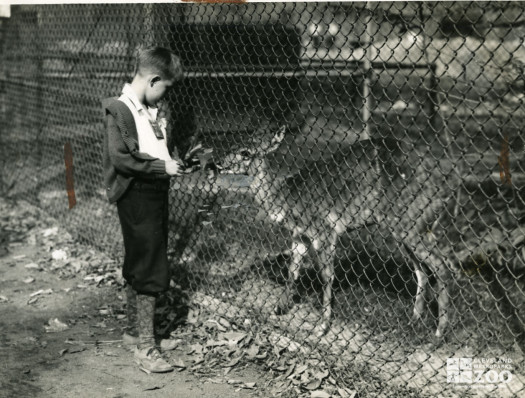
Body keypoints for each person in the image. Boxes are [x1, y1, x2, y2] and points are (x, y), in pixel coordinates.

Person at [102, 46, 183, 373]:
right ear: (153, 79)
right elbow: (121, 157)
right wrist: (161, 169)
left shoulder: (147, 108)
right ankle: (146, 350)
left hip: (153, 194)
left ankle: (137, 333)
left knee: (142, 259)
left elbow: (154, 146)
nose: (165, 96)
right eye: (165, 88)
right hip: (136, 195)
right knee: (149, 266)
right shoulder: (120, 109)